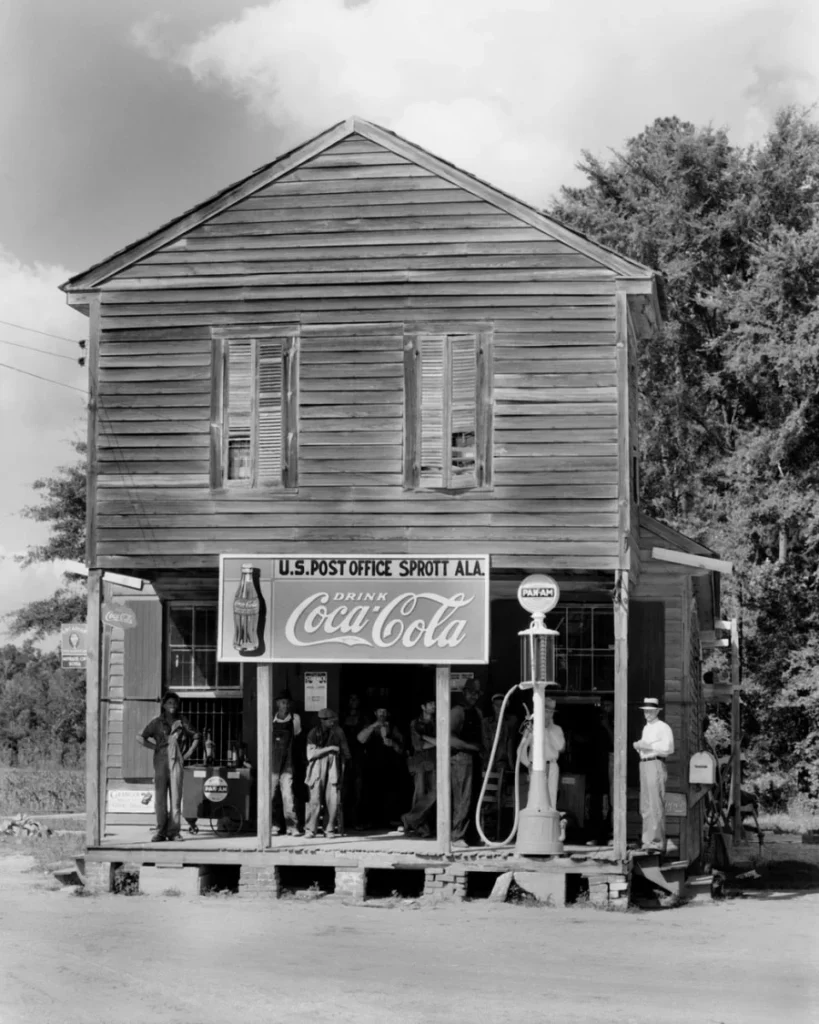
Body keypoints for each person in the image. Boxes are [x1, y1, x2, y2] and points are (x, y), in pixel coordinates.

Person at [137, 691, 200, 843]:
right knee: (160, 798)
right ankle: (160, 832)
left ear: (177, 705)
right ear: (164, 705)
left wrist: (187, 755)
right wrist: (155, 747)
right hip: (160, 760)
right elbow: (140, 738)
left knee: (176, 797)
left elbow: (196, 737)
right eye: (169, 703)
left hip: (177, 760)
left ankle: (174, 832)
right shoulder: (157, 722)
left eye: (174, 703)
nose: (172, 706)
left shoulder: (182, 720)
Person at [632, 696, 675, 853]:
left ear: (657, 711)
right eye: (646, 711)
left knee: (655, 804)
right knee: (646, 805)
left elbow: (669, 748)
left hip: (655, 763)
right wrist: (639, 746)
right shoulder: (646, 728)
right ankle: (647, 841)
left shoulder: (663, 727)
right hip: (644, 764)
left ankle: (656, 842)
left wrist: (647, 746)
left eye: (651, 711)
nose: (648, 714)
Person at [304, 708, 351, 838]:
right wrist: (330, 748)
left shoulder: (338, 732)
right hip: (317, 768)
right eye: (329, 720)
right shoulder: (314, 733)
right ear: (322, 721)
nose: (332, 722)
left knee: (333, 799)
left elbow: (346, 752)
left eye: (333, 719)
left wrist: (342, 766)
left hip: (333, 768)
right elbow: (311, 754)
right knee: (315, 799)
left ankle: (329, 828)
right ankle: (310, 829)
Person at [357, 707, 406, 829]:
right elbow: (360, 739)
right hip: (371, 765)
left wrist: (393, 744)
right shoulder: (369, 726)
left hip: (389, 766)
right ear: (375, 713)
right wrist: (375, 726)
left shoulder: (393, 727)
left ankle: (389, 821)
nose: (382, 714)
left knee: (389, 794)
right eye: (380, 711)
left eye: (384, 711)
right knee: (369, 793)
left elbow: (401, 748)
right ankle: (367, 822)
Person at [396, 697, 437, 838]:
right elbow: (418, 746)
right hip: (419, 763)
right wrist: (435, 742)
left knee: (434, 794)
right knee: (419, 795)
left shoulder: (438, 721)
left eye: (434, 704)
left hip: (434, 762)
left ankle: (409, 819)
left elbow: (443, 740)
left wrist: (425, 736)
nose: (434, 706)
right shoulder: (415, 723)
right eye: (430, 703)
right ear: (423, 706)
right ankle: (420, 827)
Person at [450, 679, 484, 847]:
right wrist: (471, 747)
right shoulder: (457, 712)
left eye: (476, 693)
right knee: (463, 798)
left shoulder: (477, 712)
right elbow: (449, 738)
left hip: (475, 759)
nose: (474, 696)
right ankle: (457, 836)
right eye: (471, 692)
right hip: (461, 759)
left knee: (474, 798)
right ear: (464, 692)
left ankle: (472, 836)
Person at [271, 689, 302, 836]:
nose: (286, 705)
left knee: (288, 795)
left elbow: (296, 734)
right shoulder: (272, 719)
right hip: (273, 764)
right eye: (283, 702)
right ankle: (275, 825)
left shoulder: (295, 718)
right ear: (277, 703)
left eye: (287, 702)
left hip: (288, 763)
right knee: (272, 795)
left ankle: (292, 826)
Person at [341, 693, 370, 831]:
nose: (354, 701)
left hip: (359, 757)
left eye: (356, 698)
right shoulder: (342, 716)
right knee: (344, 789)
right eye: (351, 699)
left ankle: (356, 820)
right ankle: (343, 821)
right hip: (344, 757)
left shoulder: (364, 718)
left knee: (358, 789)